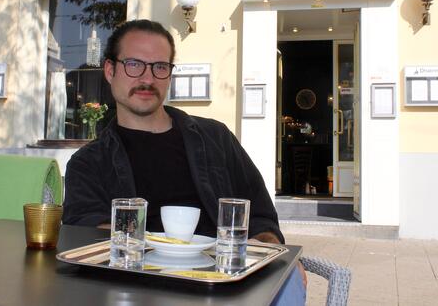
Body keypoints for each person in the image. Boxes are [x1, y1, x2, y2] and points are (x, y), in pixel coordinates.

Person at [63, 19, 306, 304]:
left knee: (288, 280)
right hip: (139, 287)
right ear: (110, 70)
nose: (147, 78)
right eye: (133, 64)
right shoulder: (88, 163)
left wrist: (269, 250)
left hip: (227, 285)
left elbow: (261, 216)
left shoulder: (215, 138)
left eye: (160, 67)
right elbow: (86, 234)